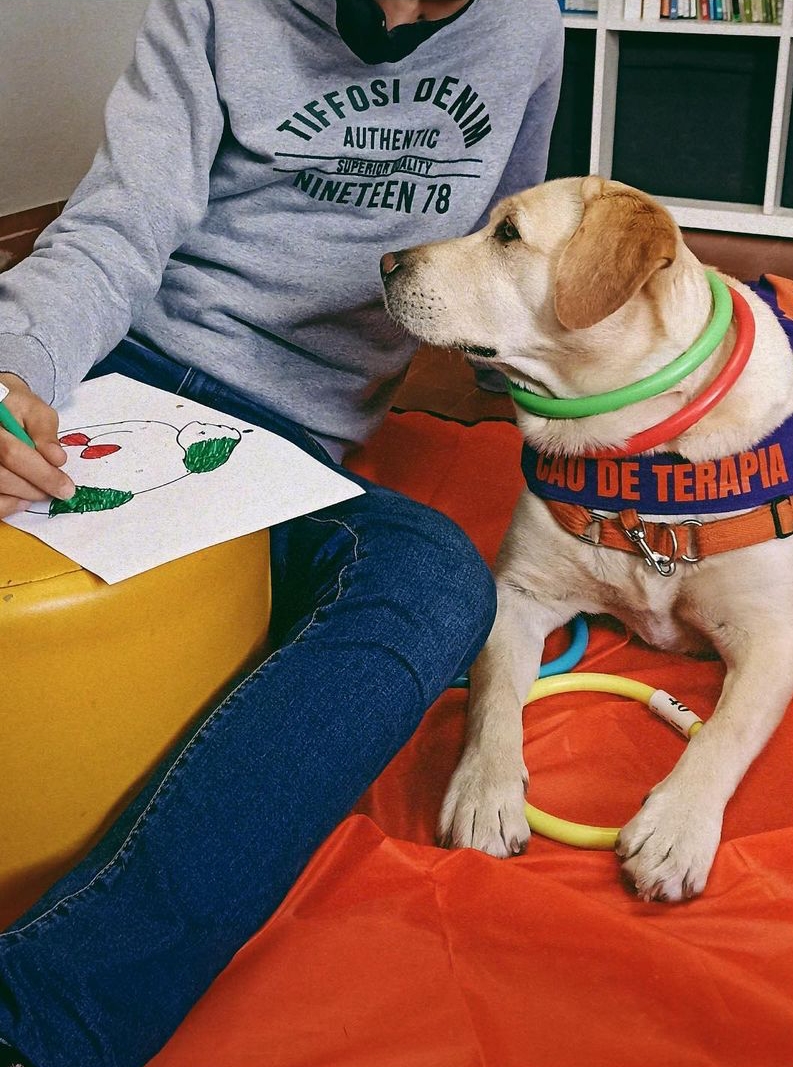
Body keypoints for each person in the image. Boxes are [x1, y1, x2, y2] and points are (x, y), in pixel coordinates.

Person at [0, 1, 563, 1063]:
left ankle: (37, 1020)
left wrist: (578, 387)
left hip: (296, 448)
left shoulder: (529, 27)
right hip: (128, 371)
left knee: (439, 580)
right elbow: (119, 219)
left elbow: (496, 254)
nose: (395, 17)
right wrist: (17, 361)